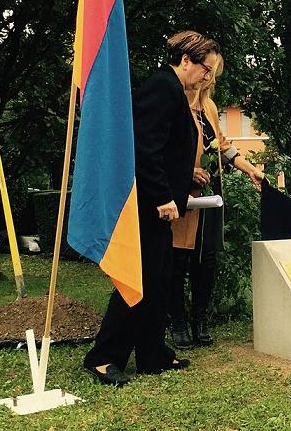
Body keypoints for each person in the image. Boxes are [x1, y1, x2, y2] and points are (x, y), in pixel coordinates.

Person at [83, 30, 220, 386]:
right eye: (206, 68)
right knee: (138, 279)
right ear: (186, 60)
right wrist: (162, 196)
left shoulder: (174, 91)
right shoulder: (164, 88)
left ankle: (152, 354)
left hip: (162, 203)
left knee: (157, 281)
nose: (207, 77)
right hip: (148, 205)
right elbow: (144, 147)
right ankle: (102, 357)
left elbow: (167, 150)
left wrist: (184, 176)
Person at [170, 54, 264, 349]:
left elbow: (222, 146)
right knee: (177, 260)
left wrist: (251, 170)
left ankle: (200, 320)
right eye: (207, 71)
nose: (209, 78)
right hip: (182, 194)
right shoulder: (174, 101)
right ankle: (178, 322)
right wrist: (185, 172)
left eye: (214, 74)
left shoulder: (208, 107)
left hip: (209, 197)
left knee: (206, 260)